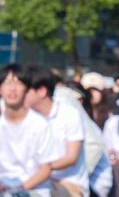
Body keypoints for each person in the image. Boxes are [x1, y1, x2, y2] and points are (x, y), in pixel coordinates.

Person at [0, 64, 61, 195]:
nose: (13, 89)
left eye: (18, 83)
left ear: (27, 89)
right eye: (7, 83)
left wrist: (18, 189)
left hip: (33, 189)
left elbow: (45, 169)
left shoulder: (40, 124)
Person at [26, 67, 91, 197]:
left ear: (42, 91)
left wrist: (44, 170)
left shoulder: (70, 114)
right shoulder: (28, 117)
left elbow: (71, 158)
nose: (21, 94)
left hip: (69, 185)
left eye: (26, 90)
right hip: (36, 181)